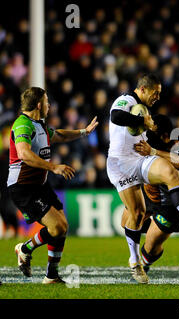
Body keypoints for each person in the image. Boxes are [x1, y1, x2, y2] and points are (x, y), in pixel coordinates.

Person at [106, 74, 179, 284]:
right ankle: (134, 260)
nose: (158, 97)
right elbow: (116, 116)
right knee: (132, 217)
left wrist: (150, 138)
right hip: (122, 166)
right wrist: (142, 122)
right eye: (156, 93)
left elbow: (177, 160)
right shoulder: (126, 101)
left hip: (153, 180)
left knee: (169, 173)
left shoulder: (172, 142)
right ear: (144, 89)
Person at [9, 87, 98, 283]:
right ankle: (25, 248)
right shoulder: (23, 125)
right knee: (56, 227)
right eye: (47, 102)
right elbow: (24, 154)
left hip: (39, 185)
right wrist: (53, 167)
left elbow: (61, 135)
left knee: (62, 226)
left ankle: (51, 276)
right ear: (39, 105)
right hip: (23, 187)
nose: (50, 106)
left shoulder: (39, 125)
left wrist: (84, 131)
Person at [122, 114, 179, 274]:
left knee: (150, 249)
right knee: (125, 222)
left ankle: (144, 264)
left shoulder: (178, 146)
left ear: (166, 136)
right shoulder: (146, 139)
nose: (148, 135)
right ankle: (150, 226)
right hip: (149, 195)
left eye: (152, 132)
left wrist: (152, 151)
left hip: (172, 203)